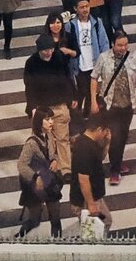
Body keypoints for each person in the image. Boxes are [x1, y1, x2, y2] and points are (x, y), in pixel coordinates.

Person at [90, 29, 136, 185]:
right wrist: (93, 100)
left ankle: (117, 161)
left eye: (125, 44)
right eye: (119, 45)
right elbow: (94, 78)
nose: (123, 48)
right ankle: (115, 170)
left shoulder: (133, 58)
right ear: (112, 44)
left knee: (123, 136)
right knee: (114, 137)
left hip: (128, 105)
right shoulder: (104, 58)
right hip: (110, 105)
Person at [22, 34, 73, 172]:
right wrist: (32, 107)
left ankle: (66, 169)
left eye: (51, 49)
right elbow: (29, 86)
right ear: (39, 50)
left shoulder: (59, 57)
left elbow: (68, 78)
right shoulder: (31, 63)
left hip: (60, 104)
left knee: (63, 138)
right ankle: (44, 168)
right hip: (42, 108)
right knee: (43, 141)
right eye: (45, 50)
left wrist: (72, 98)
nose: (49, 52)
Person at [16, 106, 64, 239]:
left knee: (55, 216)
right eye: (47, 119)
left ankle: (58, 243)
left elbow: (52, 153)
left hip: (48, 181)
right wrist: (35, 177)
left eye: (51, 119)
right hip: (34, 187)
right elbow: (21, 165)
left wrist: (54, 160)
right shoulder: (31, 144)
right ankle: (19, 237)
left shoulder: (49, 136)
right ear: (39, 122)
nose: (51, 122)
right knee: (34, 220)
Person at [69, 112, 113, 232]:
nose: (106, 134)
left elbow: (101, 157)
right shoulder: (84, 149)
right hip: (86, 199)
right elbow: (83, 179)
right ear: (99, 129)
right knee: (93, 230)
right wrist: (91, 204)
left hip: (93, 196)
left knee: (104, 223)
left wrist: (107, 142)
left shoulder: (89, 142)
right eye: (105, 131)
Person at [69, 0, 109, 116]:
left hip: (94, 65)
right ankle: (79, 117)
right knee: (82, 92)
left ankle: (87, 116)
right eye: (82, 7)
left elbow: (104, 43)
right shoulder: (71, 25)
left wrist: (104, 62)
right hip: (79, 65)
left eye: (87, 6)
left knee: (91, 93)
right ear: (75, 8)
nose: (85, 9)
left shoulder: (96, 23)